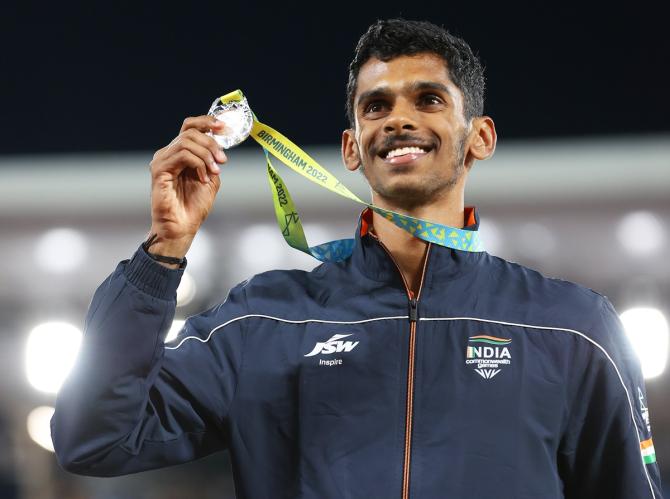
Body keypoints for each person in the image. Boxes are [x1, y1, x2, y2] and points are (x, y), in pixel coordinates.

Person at [51, 19, 664, 499]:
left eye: (428, 100)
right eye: (375, 106)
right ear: (351, 148)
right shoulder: (263, 322)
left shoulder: (572, 327)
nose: (398, 119)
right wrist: (162, 254)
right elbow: (93, 439)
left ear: (480, 137)